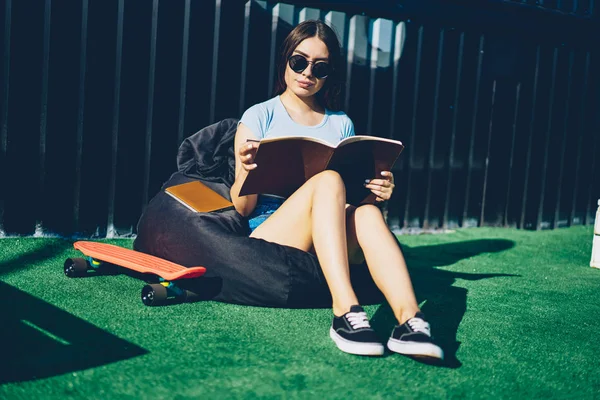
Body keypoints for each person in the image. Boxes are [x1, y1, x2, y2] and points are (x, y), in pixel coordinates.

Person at [230, 20, 443, 360]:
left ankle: (409, 322)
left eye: (320, 67)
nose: (307, 73)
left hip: (330, 229)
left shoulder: (341, 123)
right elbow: (242, 210)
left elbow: (355, 203)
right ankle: (345, 311)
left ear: (330, 73)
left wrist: (377, 193)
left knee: (369, 211)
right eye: (299, 61)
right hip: (273, 230)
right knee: (328, 181)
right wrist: (245, 169)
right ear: (286, 60)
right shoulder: (258, 117)